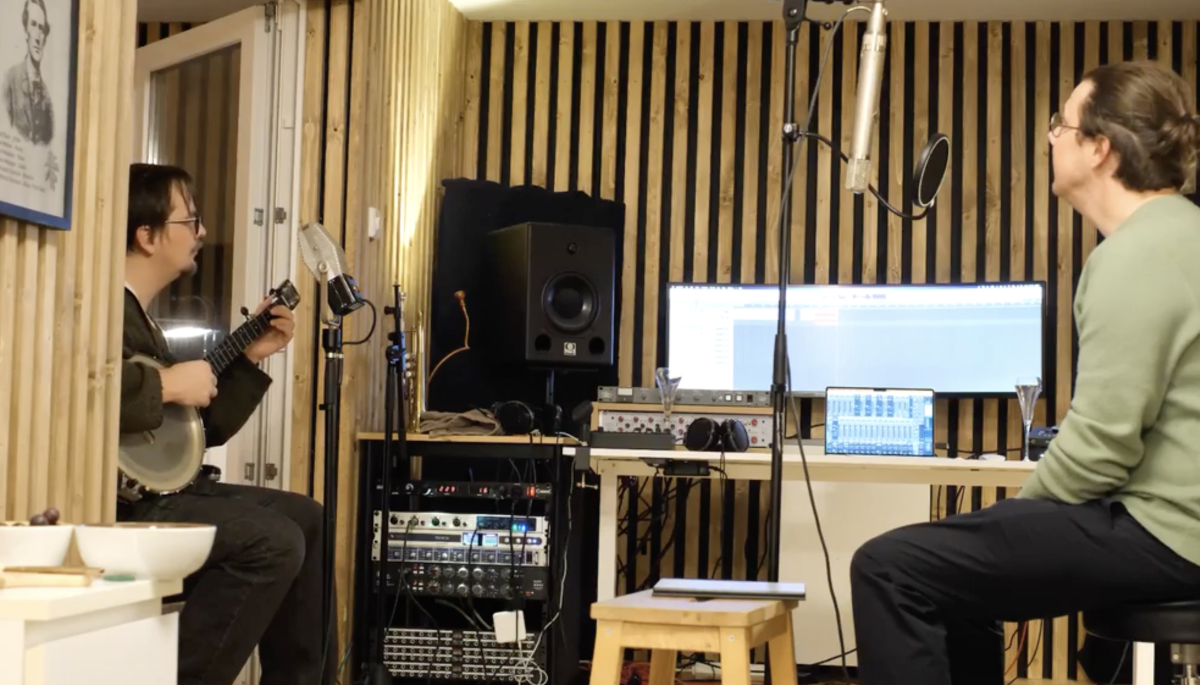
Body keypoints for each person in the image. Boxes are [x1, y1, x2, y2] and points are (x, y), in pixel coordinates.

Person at [848, 60, 1200, 685]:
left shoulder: (1137, 254)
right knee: (955, 573)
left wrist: (1017, 516)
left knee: (889, 568)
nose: (1049, 138)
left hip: (1170, 533)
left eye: (1060, 126)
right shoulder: (1182, 235)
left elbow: (1102, 447)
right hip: (1176, 524)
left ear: (1100, 148)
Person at [118, 163, 327, 685]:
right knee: (273, 542)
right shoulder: (102, 309)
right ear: (146, 236)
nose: (203, 233)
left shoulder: (140, 318)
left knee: (307, 517)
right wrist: (165, 387)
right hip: (122, 504)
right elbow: (83, 389)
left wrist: (247, 359)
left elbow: (192, 435)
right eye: (190, 221)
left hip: (162, 490)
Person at [3, 0, 54, 145]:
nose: (38, 37)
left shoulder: (48, 101)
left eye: (41, 29)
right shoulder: (10, 81)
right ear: (26, 31)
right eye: (33, 25)